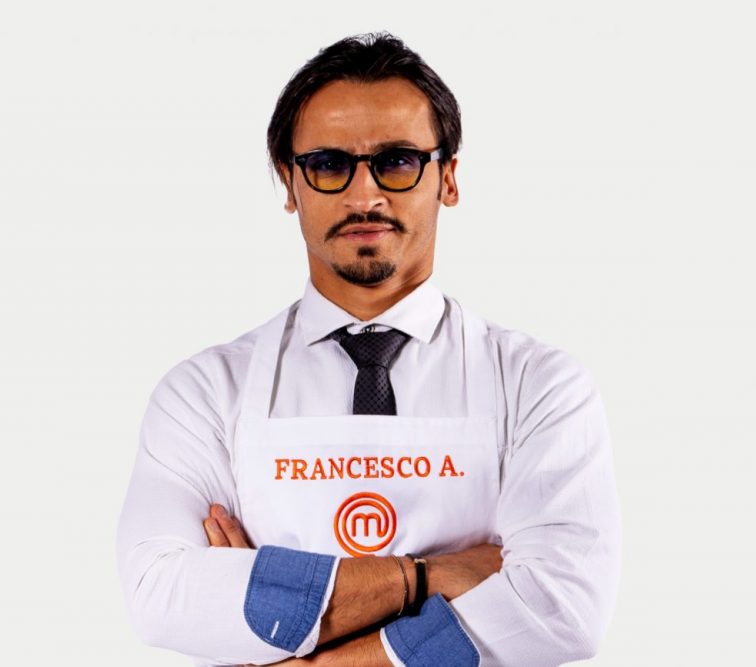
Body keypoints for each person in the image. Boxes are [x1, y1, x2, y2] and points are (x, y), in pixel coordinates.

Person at [116, 32, 621, 667]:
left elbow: (561, 608)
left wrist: (291, 623)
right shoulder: (205, 393)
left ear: (448, 178)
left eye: (398, 161)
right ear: (289, 184)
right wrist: (425, 576)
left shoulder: (537, 384)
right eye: (329, 165)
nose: (364, 197)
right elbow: (161, 593)